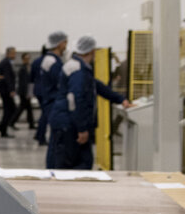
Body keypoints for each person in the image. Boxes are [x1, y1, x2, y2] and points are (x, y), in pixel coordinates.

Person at [52, 35, 131, 169]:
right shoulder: (78, 70)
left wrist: (120, 99)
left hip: (68, 122)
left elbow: (97, 86)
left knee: (74, 162)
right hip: (70, 125)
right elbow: (75, 100)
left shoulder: (80, 67)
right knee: (76, 164)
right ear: (91, 51)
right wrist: (82, 128)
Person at [38, 31, 69, 166]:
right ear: (59, 43)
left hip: (49, 101)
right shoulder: (54, 62)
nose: (66, 46)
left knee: (54, 138)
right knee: (56, 139)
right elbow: (60, 83)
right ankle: (52, 167)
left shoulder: (47, 59)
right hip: (54, 102)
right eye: (65, 42)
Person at [0, 47, 18, 138]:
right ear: (8, 53)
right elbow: (7, 77)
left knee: (9, 109)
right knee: (10, 109)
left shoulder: (7, 62)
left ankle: (2, 127)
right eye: (13, 53)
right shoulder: (6, 63)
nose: (14, 55)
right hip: (6, 90)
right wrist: (11, 90)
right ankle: (2, 128)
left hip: (5, 90)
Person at [16, 53, 35, 128]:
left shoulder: (28, 67)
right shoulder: (23, 69)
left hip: (26, 91)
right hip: (24, 92)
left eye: (28, 58)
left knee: (28, 108)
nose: (28, 60)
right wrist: (27, 93)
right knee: (22, 108)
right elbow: (24, 82)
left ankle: (31, 124)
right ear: (23, 59)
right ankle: (12, 121)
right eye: (26, 58)